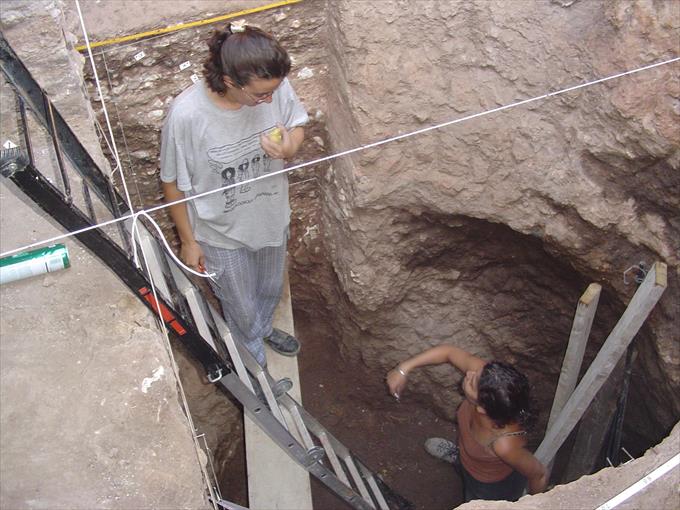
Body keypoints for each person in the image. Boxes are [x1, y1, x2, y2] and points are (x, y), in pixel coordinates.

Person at [160, 21, 308, 367]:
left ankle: (263, 329)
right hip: (220, 233)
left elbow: (297, 125)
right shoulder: (187, 115)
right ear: (229, 82)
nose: (269, 100)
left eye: (274, 91)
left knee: (270, 288)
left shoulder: (273, 85)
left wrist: (289, 147)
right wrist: (188, 240)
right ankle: (254, 364)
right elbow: (172, 183)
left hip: (270, 218)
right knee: (239, 305)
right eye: (260, 95)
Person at [386, 344, 548, 502]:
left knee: (474, 500)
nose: (470, 373)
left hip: (488, 484)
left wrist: (532, 504)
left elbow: (539, 475)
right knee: (466, 460)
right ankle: (459, 458)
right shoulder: (487, 381)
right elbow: (448, 352)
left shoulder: (504, 445)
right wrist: (404, 369)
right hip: (469, 458)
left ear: (483, 409)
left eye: (472, 382)